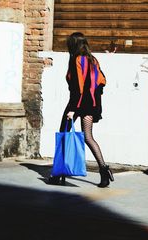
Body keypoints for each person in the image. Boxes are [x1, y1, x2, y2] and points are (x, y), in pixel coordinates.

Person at [49, 32, 114, 188]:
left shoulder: (77, 60)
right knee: (88, 137)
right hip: (91, 105)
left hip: (76, 104)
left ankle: (59, 174)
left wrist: (73, 109)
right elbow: (102, 81)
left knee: (64, 134)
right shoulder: (93, 60)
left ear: (74, 45)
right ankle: (104, 171)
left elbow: (78, 88)